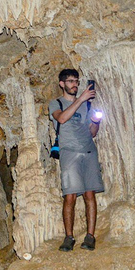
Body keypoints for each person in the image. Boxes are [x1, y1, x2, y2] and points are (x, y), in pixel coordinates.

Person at [49, 69, 105, 252]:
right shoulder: (56, 103)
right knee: (70, 196)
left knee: (90, 195)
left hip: (89, 151)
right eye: (71, 81)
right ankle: (69, 237)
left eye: (76, 81)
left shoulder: (86, 106)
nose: (74, 84)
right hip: (69, 153)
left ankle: (90, 236)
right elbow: (62, 118)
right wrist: (80, 99)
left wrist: (96, 121)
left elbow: (92, 133)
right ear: (62, 84)